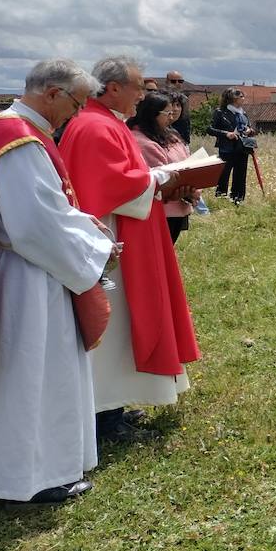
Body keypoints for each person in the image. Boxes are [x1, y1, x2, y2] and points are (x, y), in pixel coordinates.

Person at [0, 59, 114, 503]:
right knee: (36, 373)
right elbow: (34, 226)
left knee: (10, 373)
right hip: (31, 275)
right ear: (51, 93)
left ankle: (2, 466)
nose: (76, 113)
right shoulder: (20, 142)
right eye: (75, 102)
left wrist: (79, 223)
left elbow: (39, 211)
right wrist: (95, 248)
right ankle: (35, 476)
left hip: (11, 265)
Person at [60, 56, 199, 443]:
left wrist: (161, 181)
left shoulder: (105, 122)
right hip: (116, 244)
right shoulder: (93, 126)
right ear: (114, 87)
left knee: (127, 325)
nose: (145, 94)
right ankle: (105, 417)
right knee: (118, 324)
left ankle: (115, 405)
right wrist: (162, 177)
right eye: (139, 86)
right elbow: (110, 185)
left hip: (129, 235)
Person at [129, 93, 197, 243]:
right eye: (167, 113)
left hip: (179, 206)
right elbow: (159, 178)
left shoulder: (171, 134)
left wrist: (194, 188)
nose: (171, 117)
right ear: (152, 114)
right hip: (162, 211)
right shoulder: (143, 141)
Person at [209, 88, 257, 203]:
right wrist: (226, 134)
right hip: (227, 148)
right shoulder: (220, 112)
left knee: (241, 174)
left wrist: (250, 130)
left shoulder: (243, 113)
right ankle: (221, 197)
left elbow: (249, 127)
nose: (243, 99)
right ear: (233, 98)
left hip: (242, 147)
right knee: (224, 174)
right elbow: (210, 129)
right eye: (241, 96)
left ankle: (238, 198)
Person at [164, 71, 192, 142]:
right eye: (173, 81)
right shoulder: (162, 98)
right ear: (167, 82)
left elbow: (186, 119)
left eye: (180, 81)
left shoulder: (184, 99)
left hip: (183, 139)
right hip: (168, 138)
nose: (177, 84)